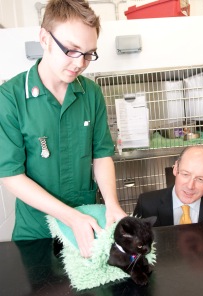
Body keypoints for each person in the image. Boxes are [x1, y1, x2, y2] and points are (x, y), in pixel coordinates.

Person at [0, 0, 126, 258]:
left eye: (89, 53)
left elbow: (101, 154)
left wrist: (112, 204)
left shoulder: (91, 93)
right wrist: (70, 217)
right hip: (37, 230)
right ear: (44, 38)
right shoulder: (10, 97)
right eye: (71, 50)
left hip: (88, 221)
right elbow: (10, 174)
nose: (80, 63)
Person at [134, 146, 203, 235]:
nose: (190, 186)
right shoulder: (146, 205)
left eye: (200, 179)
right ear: (176, 168)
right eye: (185, 174)